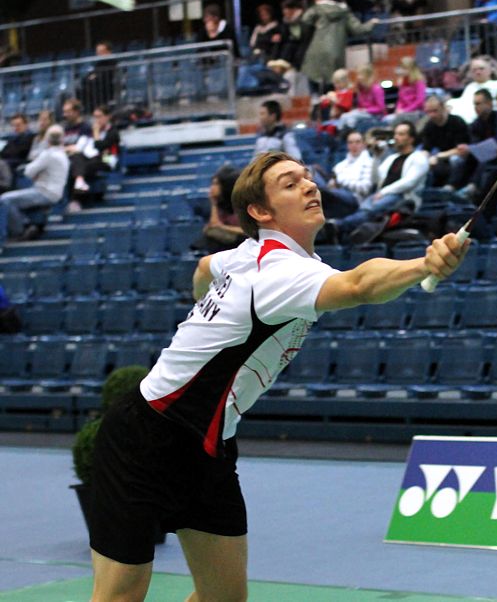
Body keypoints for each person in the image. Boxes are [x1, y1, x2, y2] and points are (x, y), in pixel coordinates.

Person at [87, 149, 467, 602]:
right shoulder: (277, 271)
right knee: (121, 595)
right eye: (291, 183)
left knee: (224, 597)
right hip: (147, 438)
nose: (310, 186)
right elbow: (360, 285)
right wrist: (424, 265)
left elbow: (204, 269)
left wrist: (203, 304)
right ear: (261, 212)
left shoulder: (250, 256)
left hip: (210, 447)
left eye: (307, 177)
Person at [332, 121, 428, 241]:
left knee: (368, 211)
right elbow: (375, 179)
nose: (396, 137)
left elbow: (409, 182)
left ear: (411, 139)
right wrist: (376, 158)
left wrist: (383, 192)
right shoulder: (392, 158)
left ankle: (340, 226)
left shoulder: (419, 157)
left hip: (404, 199)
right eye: (396, 134)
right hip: (382, 195)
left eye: (401, 134)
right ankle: (343, 230)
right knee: (364, 210)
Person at [301, 0, 378, 94]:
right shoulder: (345, 12)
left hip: (315, 52)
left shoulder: (318, 8)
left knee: (315, 87)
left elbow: (305, 19)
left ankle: (316, 105)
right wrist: (372, 23)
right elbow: (358, 29)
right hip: (336, 54)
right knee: (334, 88)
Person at [0, 125, 69, 240]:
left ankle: (23, 229)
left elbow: (28, 172)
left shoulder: (48, 154)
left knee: (4, 199)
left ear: (47, 138)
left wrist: (37, 173)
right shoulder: (63, 154)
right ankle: (27, 223)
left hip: (45, 192)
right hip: (55, 192)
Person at [66, 104, 120, 212]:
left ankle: (76, 199)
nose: (97, 120)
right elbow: (83, 147)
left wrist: (95, 133)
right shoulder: (90, 131)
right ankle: (78, 189)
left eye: (99, 116)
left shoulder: (113, 132)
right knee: (75, 159)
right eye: (95, 117)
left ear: (107, 117)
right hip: (93, 158)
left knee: (85, 165)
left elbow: (100, 147)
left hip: (109, 159)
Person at [447, 57, 497, 124]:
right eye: (474, 70)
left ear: (490, 70)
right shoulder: (470, 87)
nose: (478, 72)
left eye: (481, 69)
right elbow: (462, 103)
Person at [315, 129, 374, 218]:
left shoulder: (369, 163)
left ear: (364, 144)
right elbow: (332, 183)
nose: (354, 145)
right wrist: (333, 183)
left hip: (354, 197)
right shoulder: (340, 165)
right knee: (312, 169)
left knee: (323, 192)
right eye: (350, 142)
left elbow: (365, 188)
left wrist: (340, 181)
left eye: (357, 142)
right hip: (336, 193)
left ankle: (320, 190)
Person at [191, 164, 245, 253]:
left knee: (212, 236)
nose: (212, 188)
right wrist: (214, 203)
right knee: (211, 234)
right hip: (229, 240)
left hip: (244, 239)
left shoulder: (242, 203)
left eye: (216, 184)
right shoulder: (220, 203)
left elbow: (250, 232)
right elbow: (214, 224)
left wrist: (223, 227)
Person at [420, 95, 471, 190]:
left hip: (458, 157)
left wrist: (437, 156)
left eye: (435, 111)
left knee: (455, 159)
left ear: (443, 108)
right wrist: (423, 159)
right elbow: (426, 148)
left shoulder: (457, 122)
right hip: (441, 158)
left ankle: (450, 187)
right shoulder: (429, 126)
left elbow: (461, 150)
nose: (432, 115)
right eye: (429, 112)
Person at [338, 63, 386, 130]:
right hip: (363, 113)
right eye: (358, 74)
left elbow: (381, 108)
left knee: (351, 118)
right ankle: (344, 135)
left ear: (368, 76)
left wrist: (367, 110)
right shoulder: (361, 88)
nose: (358, 77)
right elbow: (361, 105)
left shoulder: (376, 89)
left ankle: (350, 133)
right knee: (345, 116)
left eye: (361, 74)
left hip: (375, 115)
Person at [271, 0, 312, 71]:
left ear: (294, 9)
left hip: (304, 45)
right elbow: (284, 35)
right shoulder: (285, 21)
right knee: (284, 46)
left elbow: (305, 36)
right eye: (283, 9)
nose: (284, 12)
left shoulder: (304, 19)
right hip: (291, 46)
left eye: (286, 9)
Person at [383, 56, 426, 126]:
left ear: (411, 69)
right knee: (386, 119)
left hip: (415, 112)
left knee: (394, 121)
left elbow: (420, 101)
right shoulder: (402, 82)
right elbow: (400, 100)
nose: (401, 70)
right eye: (401, 67)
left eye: (404, 68)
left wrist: (406, 110)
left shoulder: (419, 82)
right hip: (403, 112)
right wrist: (398, 108)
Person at [0, 113, 34, 193]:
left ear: (26, 124)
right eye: (14, 125)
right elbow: (4, 152)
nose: (16, 128)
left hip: (20, 162)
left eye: (18, 125)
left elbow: (20, 152)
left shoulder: (30, 136)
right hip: (7, 162)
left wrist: (8, 152)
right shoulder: (13, 137)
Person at [80, 40, 117, 112]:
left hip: (107, 90)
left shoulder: (113, 63)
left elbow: (105, 78)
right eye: (97, 51)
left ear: (108, 52)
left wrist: (94, 77)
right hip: (94, 89)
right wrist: (93, 78)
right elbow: (87, 77)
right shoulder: (98, 64)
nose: (98, 54)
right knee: (81, 89)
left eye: (101, 51)